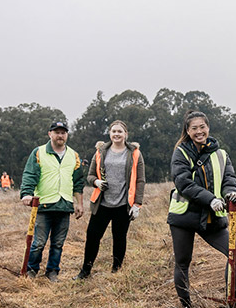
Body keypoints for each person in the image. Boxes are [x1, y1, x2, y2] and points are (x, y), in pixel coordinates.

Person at [167, 110, 236, 308]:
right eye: (194, 128)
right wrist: (210, 199)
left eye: (202, 127)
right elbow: (183, 183)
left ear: (208, 128)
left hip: (211, 217)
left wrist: (231, 194)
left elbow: (229, 180)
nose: (199, 131)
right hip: (184, 215)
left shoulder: (221, 154)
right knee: (183, 262)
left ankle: (231, 299)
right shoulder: (181, 152)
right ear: (187, 131)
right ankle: (186, 307)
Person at [76, 120, 145, 279]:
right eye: (114, 131)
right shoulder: (100, 151)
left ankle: (116, 270)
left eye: (120, 131)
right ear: (110, 134)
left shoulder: (134, 153)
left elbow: (140, 180)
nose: (116, 134)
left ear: (125, 134)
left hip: (123, 204)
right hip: (102, 204)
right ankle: (85, 271)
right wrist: (96, 182)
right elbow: (90, 175)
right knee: (92, 237)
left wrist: (137, 204)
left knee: (119, 238)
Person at [20, 121, 85, 282]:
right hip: (44, 205)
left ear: (67, 135)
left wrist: (79, 203)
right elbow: (30, 175)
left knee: (58, 244)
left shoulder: (74, 156)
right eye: (57, 132)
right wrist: (26, 194)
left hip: (64, 205)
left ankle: (52, 272)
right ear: (50, 134)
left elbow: (78, 182)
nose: (60, 135)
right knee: (39, 243)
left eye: (63, 133)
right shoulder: (39, 152)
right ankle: (32, 270)